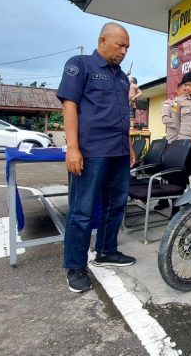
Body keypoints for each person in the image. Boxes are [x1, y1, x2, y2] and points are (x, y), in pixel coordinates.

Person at [56, 22, 136, 293]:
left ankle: (106, 250)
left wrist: (130, 146)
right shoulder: (80, 65)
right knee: (82, 210)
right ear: (103, 40)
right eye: (120, 45)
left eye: (127, 47)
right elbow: (70, 106)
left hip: (119, 152)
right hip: (91, 151)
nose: (124, 51)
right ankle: (75, 266)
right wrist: (73, 148)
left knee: (116, 205)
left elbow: (123, 114)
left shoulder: (122, 77)